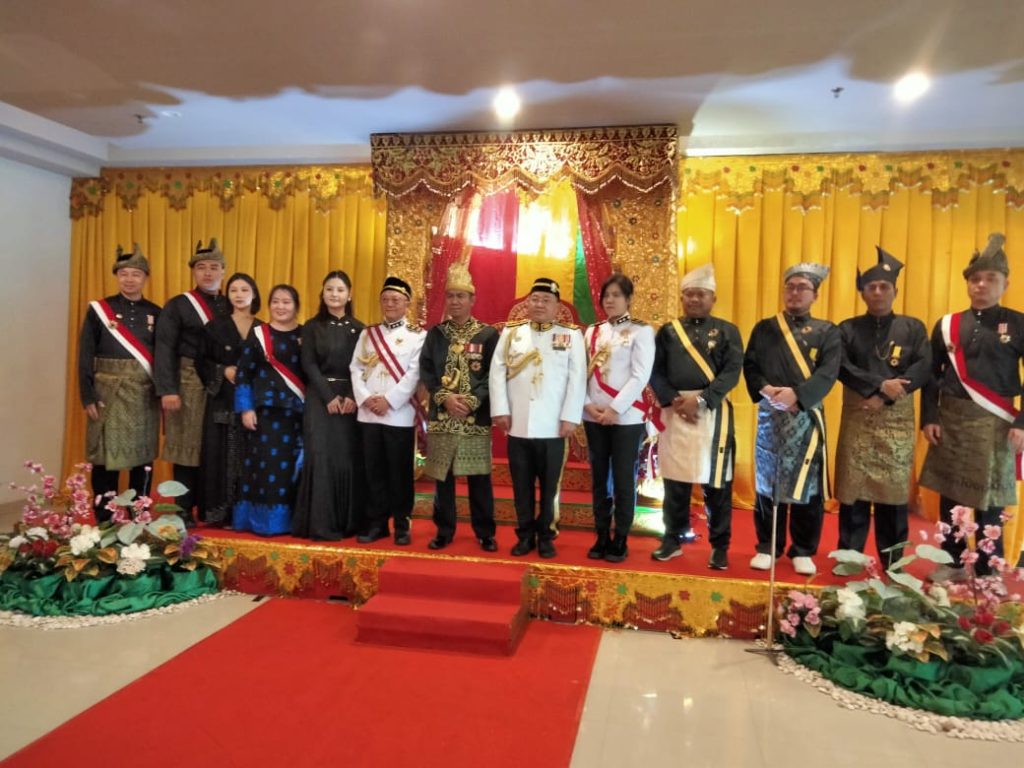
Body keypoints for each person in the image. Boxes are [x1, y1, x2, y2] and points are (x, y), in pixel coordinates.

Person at [920, 233, 1024, 575]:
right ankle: (950, 561)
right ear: (967, 284)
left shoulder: (1019, 323)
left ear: (1005, 283)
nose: (981, 285)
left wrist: (1022, 423)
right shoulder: (947, 324)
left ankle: (987, 568)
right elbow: (931, 374)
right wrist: (930, 416)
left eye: (990, 278)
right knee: (950, 492)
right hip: (951, 418)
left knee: (990, 498)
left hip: (997, 422)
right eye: (975, 279)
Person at [834, 248, 930, 567]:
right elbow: (841, 366)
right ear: (862, 292)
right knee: (854, 489)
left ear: (895, 291)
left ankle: (893, 561)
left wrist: (886, 395)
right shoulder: (846, 329)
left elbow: (923, 367)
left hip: (897, 421)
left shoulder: (913, 327)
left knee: (894, 493)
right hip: (859, 415)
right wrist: (878, 385)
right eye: (871, 287)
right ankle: (849, 556)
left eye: (884, 287)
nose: (877, 292)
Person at [743, 262, 840, 576]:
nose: (795, 293)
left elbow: (828, 372)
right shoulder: (764, 328)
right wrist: (767, 389)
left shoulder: (827, 331)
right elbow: (751, 365)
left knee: (806, 485)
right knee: (767, 482)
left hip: (805, 417)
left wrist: (798, 395)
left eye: (802, 288)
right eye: (790, 287)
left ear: (815, 295)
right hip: (771, 414)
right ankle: (767, 546)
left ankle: (803, 549)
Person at [649, 264, 743, 569]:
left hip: (712, 413)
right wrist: (676, 401)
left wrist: (701, 400)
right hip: (676, 410)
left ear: (713, 298)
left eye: (700, 294)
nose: (694, 299)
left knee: (717, 483)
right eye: (688, 294)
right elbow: (655, 370)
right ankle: (672, 538)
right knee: (675, 481)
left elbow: (732, 371)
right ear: (682, 298)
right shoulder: (668, 332)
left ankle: (720, 545)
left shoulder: (728, 331)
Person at [490, 277, 586, 559]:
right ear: (527, 303)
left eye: (546, 300)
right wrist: (501, 410)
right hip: (518, 424)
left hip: (554, 426)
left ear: (557, 307)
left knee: (549, 486)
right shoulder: (512, 333)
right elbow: (497, 371)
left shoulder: (571, 335)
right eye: (535, 299)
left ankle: (546, 535)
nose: (540, 305)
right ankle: (524, 535)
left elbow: (577, 378)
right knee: (521, 486)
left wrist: (570, 417)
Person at [420, 264, 500, 552]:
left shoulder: (487, 335)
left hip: (475, 417)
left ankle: (485, 532)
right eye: (451, 296)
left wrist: (472, 400)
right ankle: (444, 530)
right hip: (442, 416)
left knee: (479, 477)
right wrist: (444, 397)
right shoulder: (436, 334)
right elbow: (427, 370)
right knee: (443, 478)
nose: (455, 301)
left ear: (472, 299)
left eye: (461, 296)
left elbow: (493, 374)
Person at [78, 244, 161, 520]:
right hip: (107, 393)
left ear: (145, 278)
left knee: (142, 459)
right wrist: (87, 395)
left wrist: (163, 392)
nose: (129, 279)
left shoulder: (156, 312)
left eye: (136, 274)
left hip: (143, 394)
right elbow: (85, 354)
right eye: (124, 274)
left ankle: (139, 516)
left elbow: (163, 357)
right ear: (116, 276)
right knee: (105, 458)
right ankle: (105, 517)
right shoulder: (100, 310)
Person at [154, 239, 229, 523]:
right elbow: (164, 348)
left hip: (223, 383)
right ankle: (183, 509)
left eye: (214, 267)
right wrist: (167, 389)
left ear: (223, 271)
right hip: (186, 381)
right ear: (193, 272)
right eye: (202, 267)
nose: (208, 273)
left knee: (216, 447)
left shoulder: (230, 304)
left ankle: (212, 509)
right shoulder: (178, 305)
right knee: (186, 448)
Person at [582, 274, 655, 563]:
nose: (610, 300)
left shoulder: (641, 331)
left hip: (626, 417)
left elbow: (640, 376)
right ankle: (601, 533)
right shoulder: (592, 332)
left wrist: (615, 409)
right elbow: (581, 373)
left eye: (616, 295)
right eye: (606, 295)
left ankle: (621, 536)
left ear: (628, 299)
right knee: (600, 478)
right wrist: (588, 406)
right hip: (594, 416)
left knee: (624, 478)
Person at [350, 276, 426, 546]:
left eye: (396, 299)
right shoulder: (367, 334)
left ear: (407, 303)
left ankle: (402, 524)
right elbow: (355, 368)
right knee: (373, 471)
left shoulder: (418, 336)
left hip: (399, 414)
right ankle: (377, 523)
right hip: (369, 413)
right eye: (386, 299)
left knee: (400, 473)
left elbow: (414, 374)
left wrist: (389, 401)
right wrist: (366, 398)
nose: (390, 303)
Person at [292, 271, 366, 540]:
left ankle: (348, 523)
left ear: (349, 295)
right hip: (319, 399)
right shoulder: (311, 326)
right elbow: (308, 364)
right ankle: (320, 524)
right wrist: (328, 396)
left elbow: (363, 367)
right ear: (322, 294)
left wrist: (351, 396)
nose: (335, 294)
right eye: (330, 289)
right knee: (320, 457)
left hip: (351, 400)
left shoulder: (360, 329)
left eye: (340, 289)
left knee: (346, 459)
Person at [234, 285, 305, 536]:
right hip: (265, 414)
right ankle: (263, 522)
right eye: (276, 301)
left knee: (292, 469)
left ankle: (292, 521)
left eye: (286, 302)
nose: (280, 307)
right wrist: (246, 408)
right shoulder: (258, 335)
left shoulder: (305, 335)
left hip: (297, 415)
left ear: (296, 306)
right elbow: (244, 373)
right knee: (265, 468)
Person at [195, 273, 261, 527]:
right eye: (234, 290)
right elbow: (201, 361)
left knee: (251, 456)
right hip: (222, 400)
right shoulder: (214, 327)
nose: (239, 294)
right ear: (227, 295)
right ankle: (218, 513)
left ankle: (247, 513)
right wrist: (223, 371)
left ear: (254, 294)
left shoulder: (263, 329)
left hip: (253, 403)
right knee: (219, 455)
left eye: (245, 290)